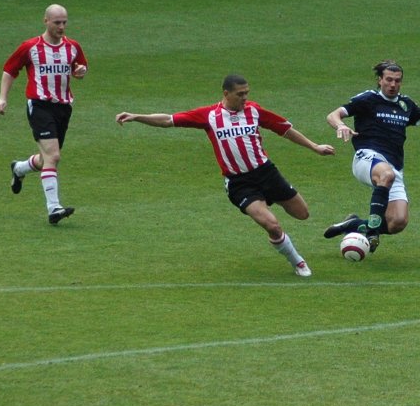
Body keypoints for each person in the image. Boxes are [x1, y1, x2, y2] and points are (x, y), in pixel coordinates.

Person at [115, 74, 335, 277]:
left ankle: (279, 202)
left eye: (247, 93)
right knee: (272, 225)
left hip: (267, 173)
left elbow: (284, 129)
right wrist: (136, 117)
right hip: (240, 183)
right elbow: (168, 120)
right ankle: (297, 261)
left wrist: (315, 147)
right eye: (240, 94)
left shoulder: (254, 111)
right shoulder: (209, 116)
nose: (245, 98)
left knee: (302, 214)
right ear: (226, 93)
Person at [324, 60, 420, 252]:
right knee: (386, 175)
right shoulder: (368, 99)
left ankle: (353, 225)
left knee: (397, 222)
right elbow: (334, 114)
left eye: (397, 81)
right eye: (388, 80)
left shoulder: (406, 104)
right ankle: (372, 232)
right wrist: (341, 125)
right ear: (380, 80)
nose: (393, 85)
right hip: (367, 158)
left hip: (393, 166)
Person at [0, 4, 88, 224]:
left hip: (63, 107)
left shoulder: (72, 47)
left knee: (47, 158)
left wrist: (80, 72)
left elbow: (80, 68)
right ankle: (54, 208)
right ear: (45, 21)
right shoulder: (30, 47)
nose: (61, 27)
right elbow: (10, 70)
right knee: (53, 156)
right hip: (39, 106)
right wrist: (2, 98)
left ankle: (19, 168)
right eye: (57, 22)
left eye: (64, 22)